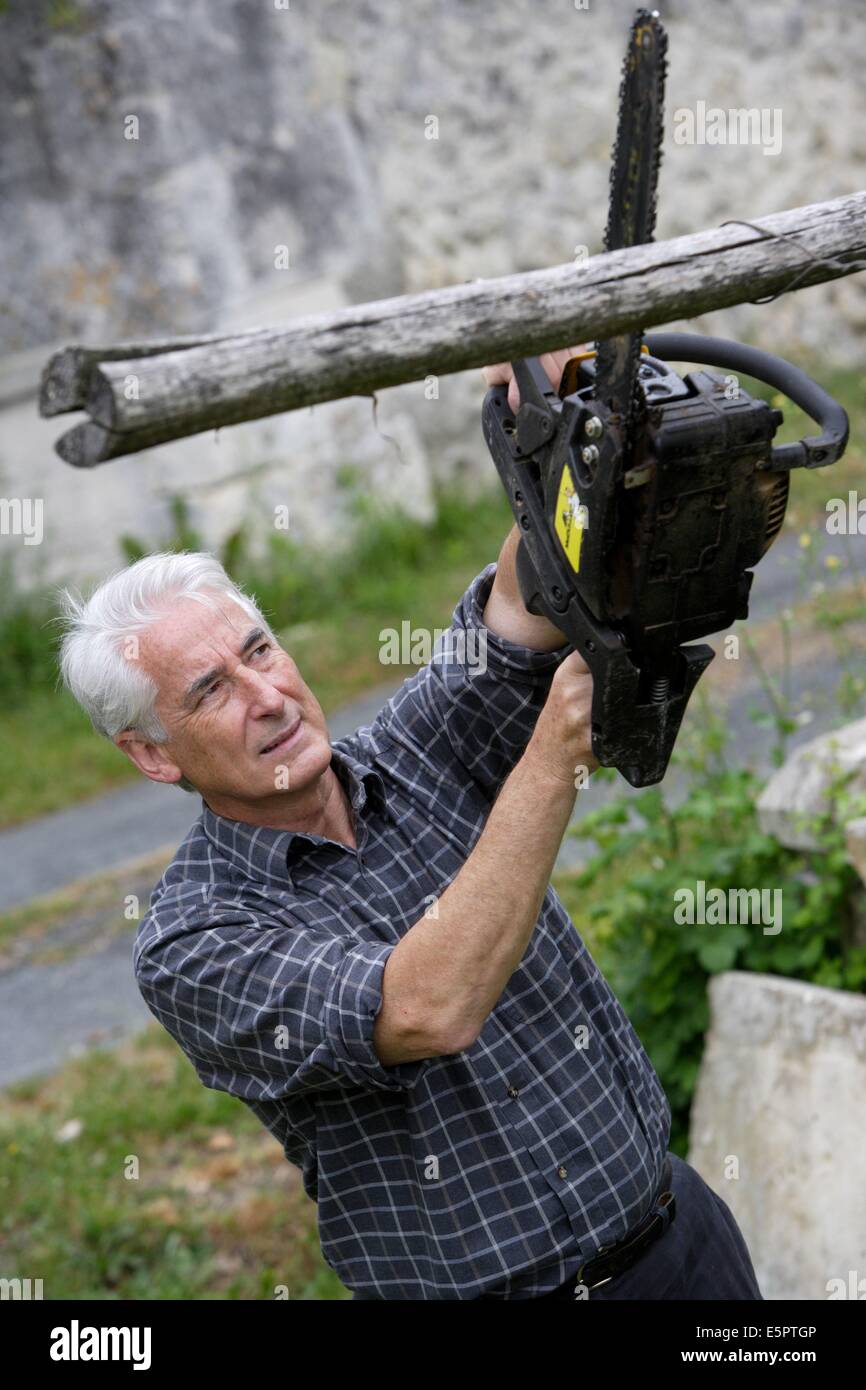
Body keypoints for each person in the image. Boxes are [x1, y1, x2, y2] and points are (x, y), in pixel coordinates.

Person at [55, 348, 763, 1301]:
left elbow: (526, 595)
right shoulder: (191, 941)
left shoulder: (413, 744)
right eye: (213, 690)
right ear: (151, 753)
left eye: (260, 649)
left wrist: (575, 435)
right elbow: (428, 1007)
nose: (267, 697)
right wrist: (554, 755)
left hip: (681, 1253)